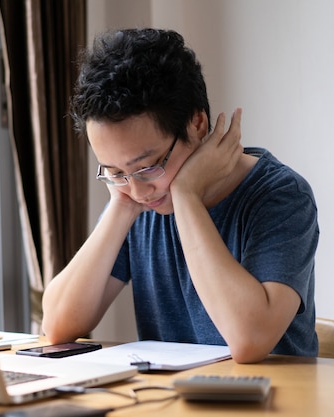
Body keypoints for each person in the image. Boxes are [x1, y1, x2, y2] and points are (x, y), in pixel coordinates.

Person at [41, 28, 319, 364]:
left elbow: (249, 341)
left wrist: (187, 195)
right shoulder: (136, 199)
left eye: (147, 167)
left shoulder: (281, 196)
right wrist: (120, 204)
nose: (139, 191)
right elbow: (56, 326)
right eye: (114, 172)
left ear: (197, 124)